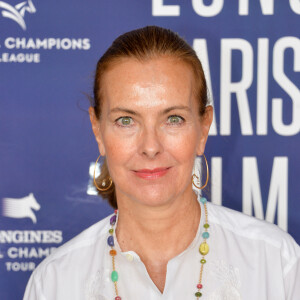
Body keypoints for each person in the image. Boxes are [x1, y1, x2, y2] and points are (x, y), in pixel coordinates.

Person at [24, 26, 300, 300]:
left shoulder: (276, 263)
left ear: (203, 129)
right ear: (98, 130)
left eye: (173, 119)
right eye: (126, 120)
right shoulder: (54, 284)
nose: (151, 147)